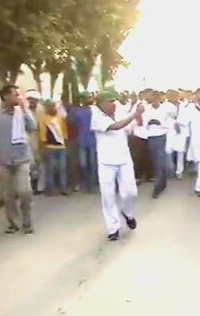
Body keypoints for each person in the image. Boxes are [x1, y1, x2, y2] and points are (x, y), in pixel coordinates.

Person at [91, 88, 143, 241]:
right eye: (110, 101)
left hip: (124, 159)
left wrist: (136, 117)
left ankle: (127, 212)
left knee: (131, 192)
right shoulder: (95, 116)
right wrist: (135, 114)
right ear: (101, 103)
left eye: (114, 100)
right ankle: (113, 228)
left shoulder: (120, 112)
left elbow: (129, 128)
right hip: (106, 162)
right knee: (108, 197)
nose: (113, 104)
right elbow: (116, 126)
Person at [0, 86, 38, 234]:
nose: (18, 97)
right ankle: (13, 222)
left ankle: (27, 222)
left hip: (23, 158)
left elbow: (32, 127)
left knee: (25, 191)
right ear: (5, 97)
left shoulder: (21, 112)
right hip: (5, 160)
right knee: (8, 194)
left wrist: (25, 110)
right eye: (15, 95)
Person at [142, 91, 170, 198]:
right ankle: (162, 183)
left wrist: (160, 123)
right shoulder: (146, 109)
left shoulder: (165, 109)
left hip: (161, 136)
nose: (154, 101)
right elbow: (143, 123)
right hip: (151, 138)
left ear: (159, 99)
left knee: (160, 162)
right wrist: (149, 122)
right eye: (152, 99)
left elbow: (170, 124)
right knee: (155, 162)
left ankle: (157, 188)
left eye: (156, 99)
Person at [68, 91, 98, 193]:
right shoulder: (76, 111)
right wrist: (71, 110)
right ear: (82, 100)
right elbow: (69, 121)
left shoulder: (94, 110)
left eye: (90, 97)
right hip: (82, 140)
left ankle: (92, 185)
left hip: (92, 140)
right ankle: (86, 183)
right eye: (87, 98)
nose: (89, 99)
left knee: (93, 163)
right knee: (83, 164)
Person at [38, 99, 69, 196]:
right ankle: (50, 189)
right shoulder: (43, 118)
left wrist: (66, 141)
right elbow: (42, 133)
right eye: (49, 106)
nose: (51, 108)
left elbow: (64, 131)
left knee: (62, 168)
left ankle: (63, 188)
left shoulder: (60, 118)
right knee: (50, 169)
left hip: (61, 147)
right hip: (50, 147)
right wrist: (43, 145)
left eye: (52, 106)